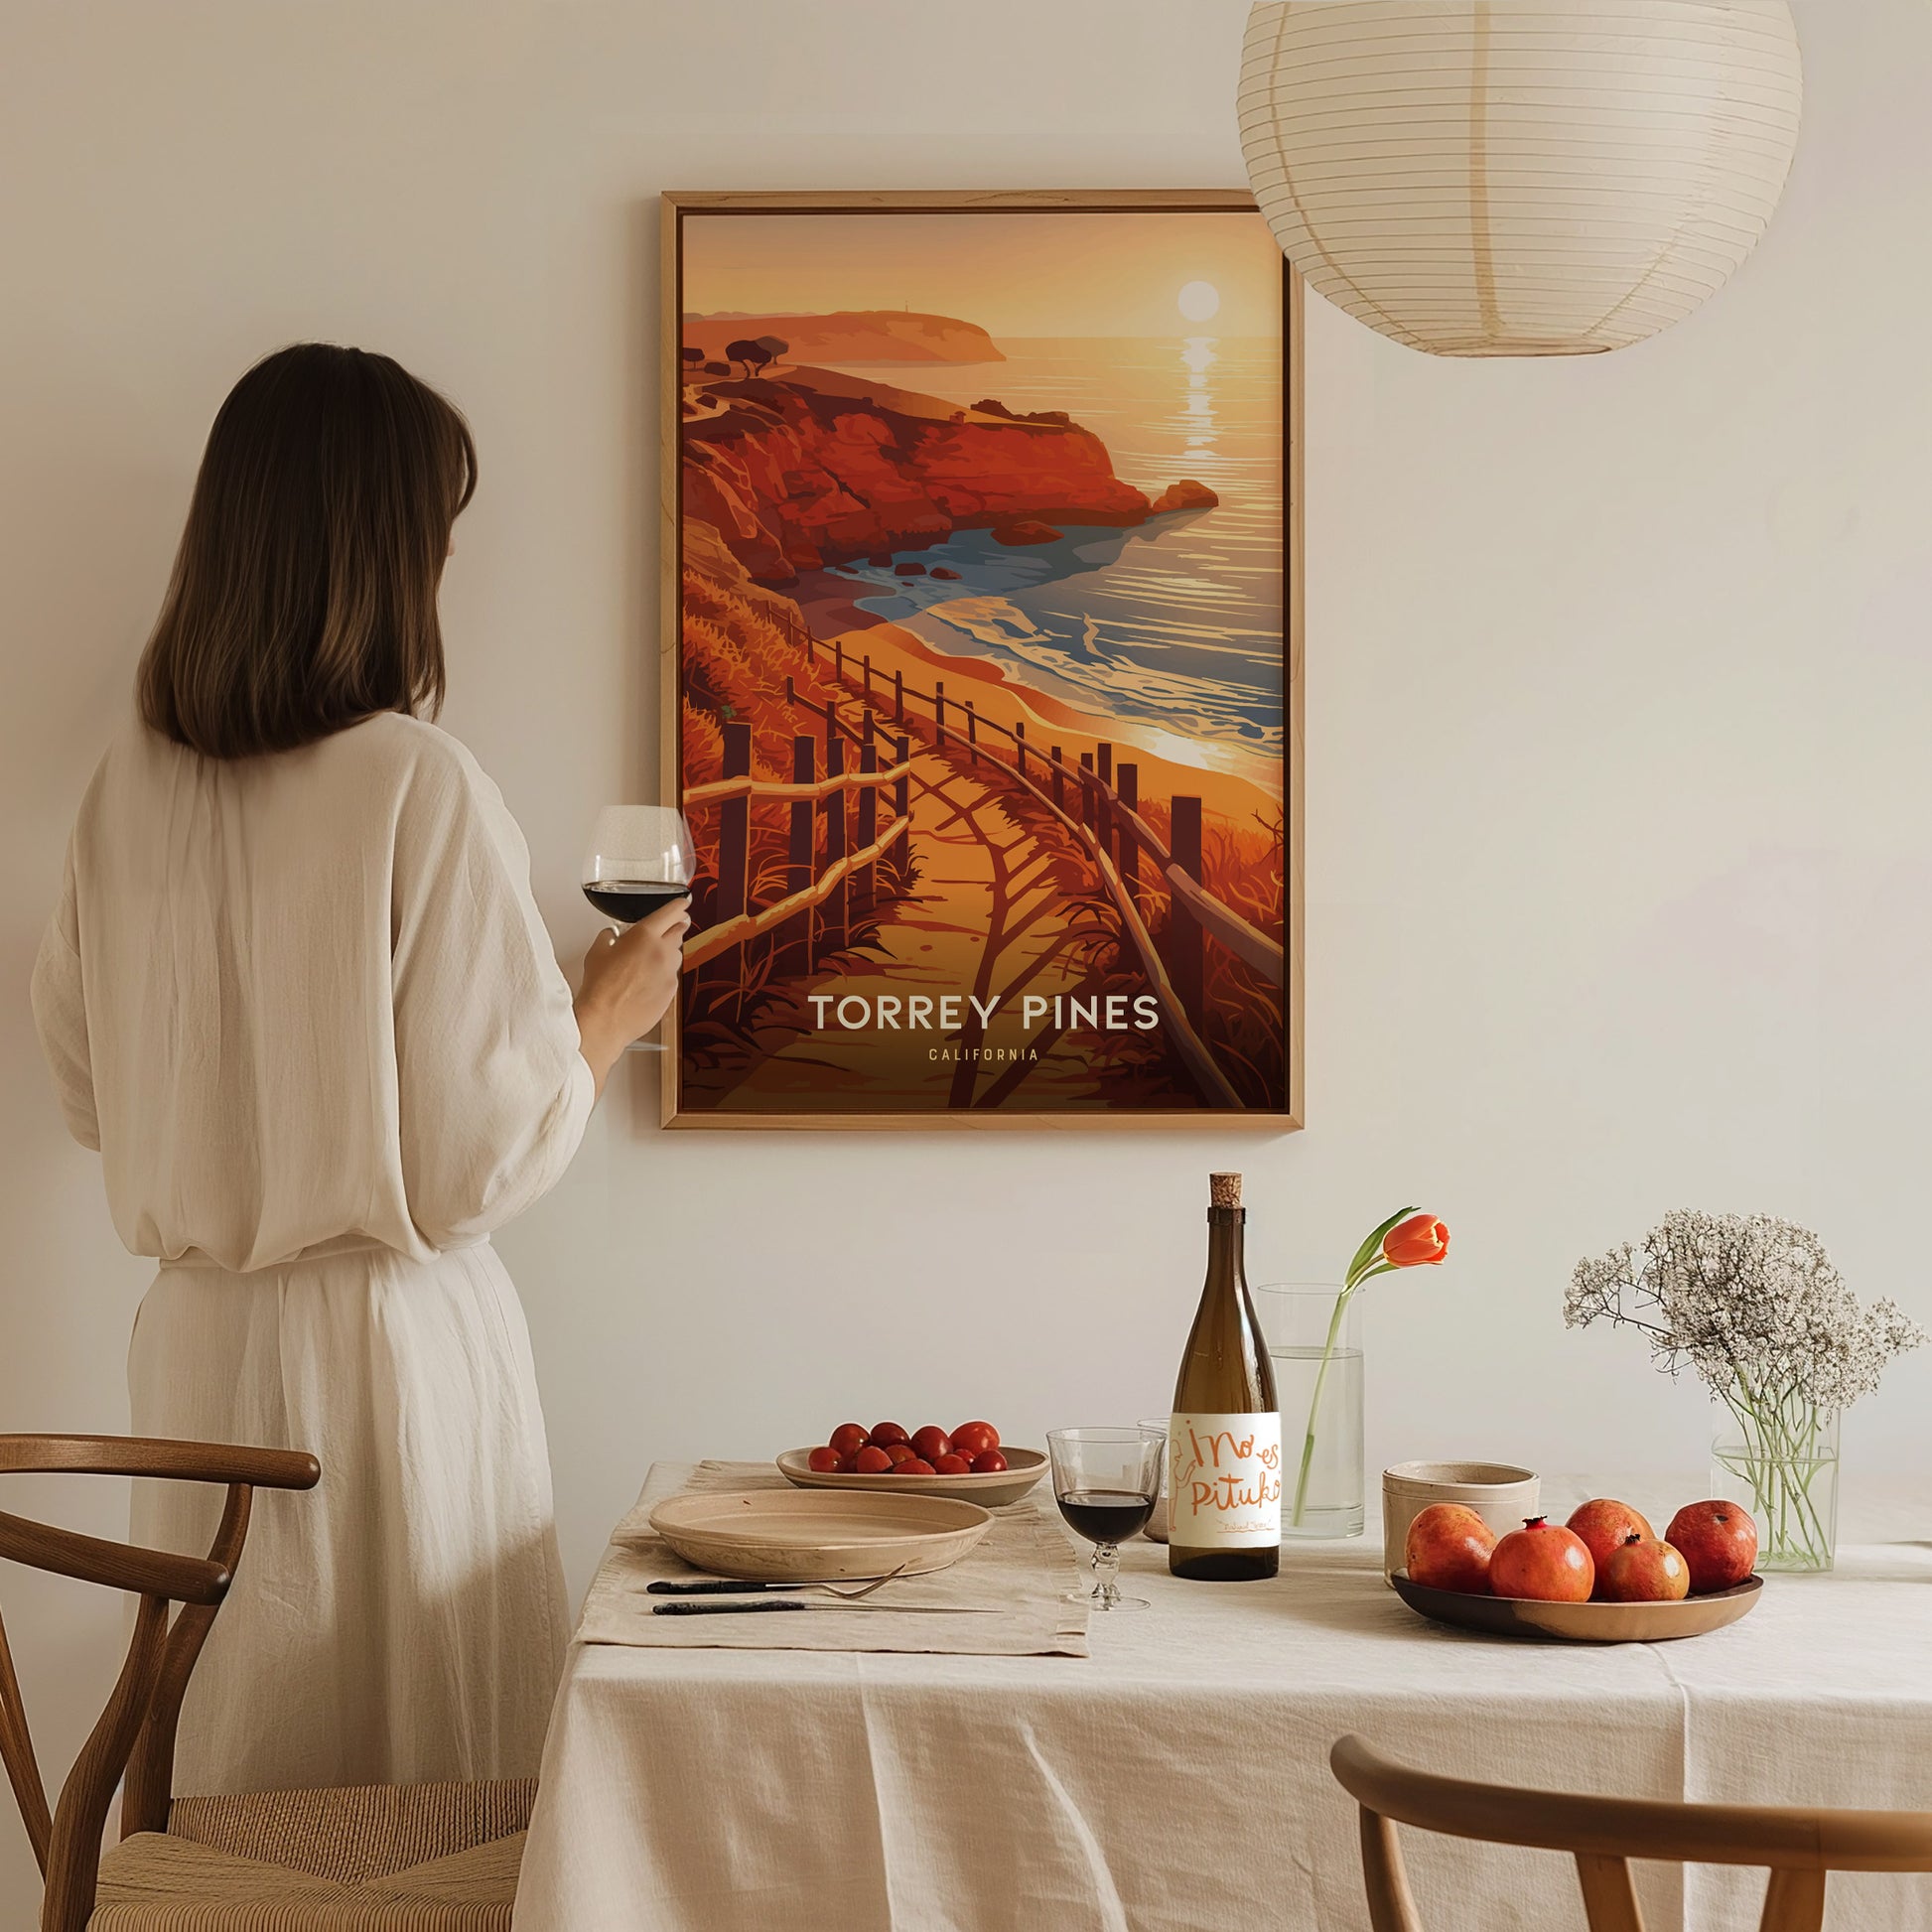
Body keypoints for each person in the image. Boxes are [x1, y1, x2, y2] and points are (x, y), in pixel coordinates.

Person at [29, 343, 686, 1793]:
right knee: (421, 1797)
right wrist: (602, 1013)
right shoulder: (415, 780)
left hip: (195, 1352)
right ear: (385, 552)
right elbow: (470, 1165)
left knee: (239, 1779)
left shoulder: (122, 791)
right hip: (388, 1362)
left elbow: (87, 1092)